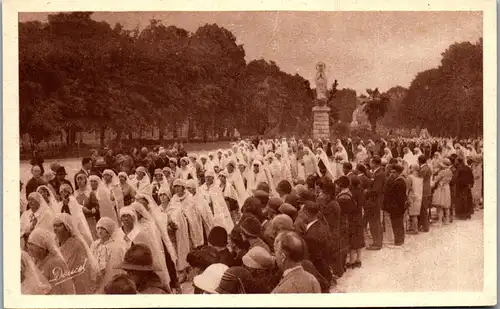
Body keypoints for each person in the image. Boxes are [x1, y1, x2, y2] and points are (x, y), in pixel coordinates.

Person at [52, 213, 99, 294]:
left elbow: (70, 270)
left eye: (59, 225)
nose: (55, 228)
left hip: (77, 285)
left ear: (67, 227)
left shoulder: (76, 244)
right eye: (54, 226)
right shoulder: (56, 243)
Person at [26, 228, 76, 294]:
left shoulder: (55, 263)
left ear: (42, 248)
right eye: (29, 243)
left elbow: (62, 291)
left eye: (32, 244)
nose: (29, 247)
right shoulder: (35, 262)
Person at [298, 201, 333, 282]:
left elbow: (315, 260)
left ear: (307, 213)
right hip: (326, 268)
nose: (300, 215)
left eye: (301, 212)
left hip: (319, 273)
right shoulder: (322, 225)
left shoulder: (310, 236)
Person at [90, 217, 126, 293]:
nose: (99, 231)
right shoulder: (95, 244)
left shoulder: (116, 247)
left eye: (103, 228)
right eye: (98, 228)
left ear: (108, 231)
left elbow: (114, 269)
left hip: (108, 278)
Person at [383, 164, 407, 247]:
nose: (392, 174)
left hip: (396, 207)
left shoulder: (399, 182)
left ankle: (398, 241)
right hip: (398, 207)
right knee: (398, 224)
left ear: (397, 172)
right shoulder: (400, 180)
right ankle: (399, 240)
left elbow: (399, 198)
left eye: (393, 172)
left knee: (397, 224)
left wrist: (400, 207)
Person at [365, 156, 384, 250]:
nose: (369, 164)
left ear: (375, 163)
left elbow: (376, 190)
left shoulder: (379, 174)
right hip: (375, 200)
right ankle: (377, 241)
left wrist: (366, 192)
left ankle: (377, 243)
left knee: (374, 222)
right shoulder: (377, 172)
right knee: (375, 222)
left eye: (371, 162)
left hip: (374, 201)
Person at [431, 158, 453, 226]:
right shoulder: (450, 171)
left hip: (441, 188)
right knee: (446, 205)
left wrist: (433, 183)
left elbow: (436, 180)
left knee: (439, 205)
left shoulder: (442, 172)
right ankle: (447, 220)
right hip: (447, 187)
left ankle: (440, 221)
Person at [406, 164, 423, 234]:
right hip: (419, 196)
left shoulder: (410, 177)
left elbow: (408, 188)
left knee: (412, 214)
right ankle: (414, 228)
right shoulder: (421, 177)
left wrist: (406, 195)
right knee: (415, 213)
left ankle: (414, 229)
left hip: (412, 196)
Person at [418, 155, 432, 232]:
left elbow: (420, 178)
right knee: (424, 208)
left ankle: (425, 226)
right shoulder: (427, 167)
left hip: (424, 189)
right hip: (427, 188)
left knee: (423, 208)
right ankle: (423, 225)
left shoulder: (423, 169)